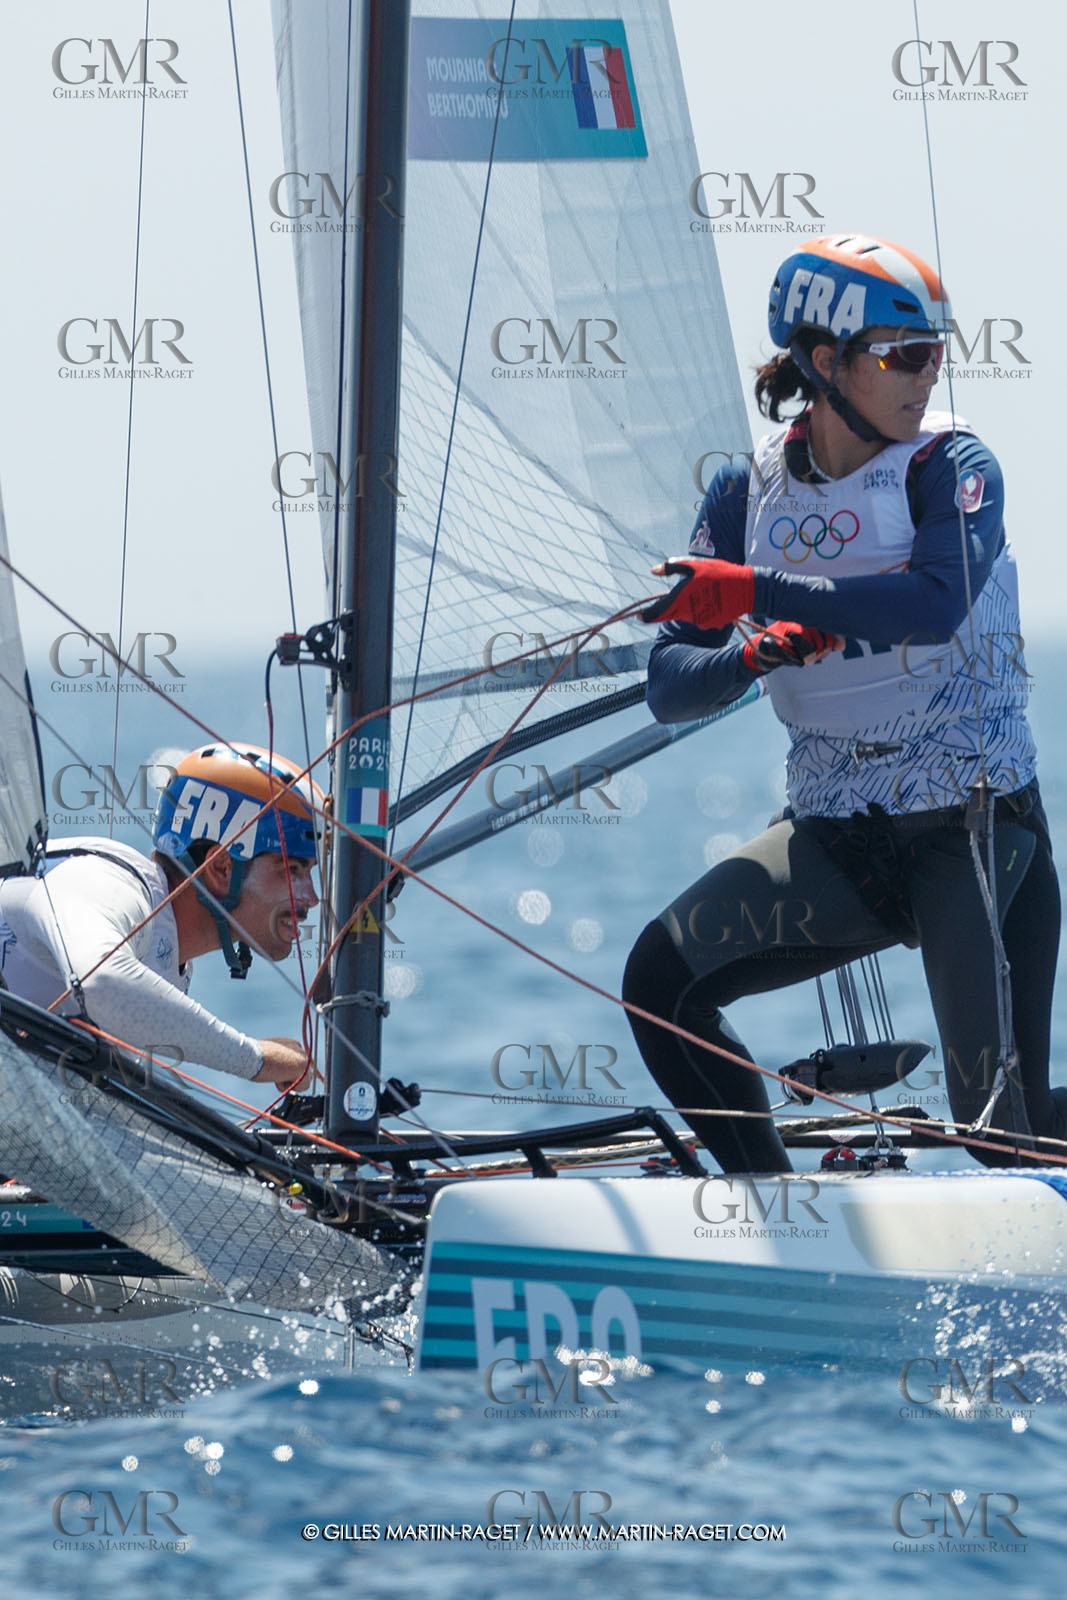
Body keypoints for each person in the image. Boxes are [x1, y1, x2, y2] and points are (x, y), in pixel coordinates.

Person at [623, 231, 1063, 1173]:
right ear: (825, 363)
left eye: (934, 352)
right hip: (837, 836)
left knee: (994, 1127)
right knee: (658, 985)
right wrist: (747, 658)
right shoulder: (745, 491)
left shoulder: (952, 466)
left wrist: (756, 596)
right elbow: (667, 688)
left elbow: (934, 606)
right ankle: (772, 1221)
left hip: (973, 829)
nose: (924, 374)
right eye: (902, 354)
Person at [0, 742, 321, 1086]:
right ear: (222, 868)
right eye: (291, 870)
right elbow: (101, 982)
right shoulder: (108, 883)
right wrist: (257, 1059)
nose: (312, 897)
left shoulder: (169, 960)